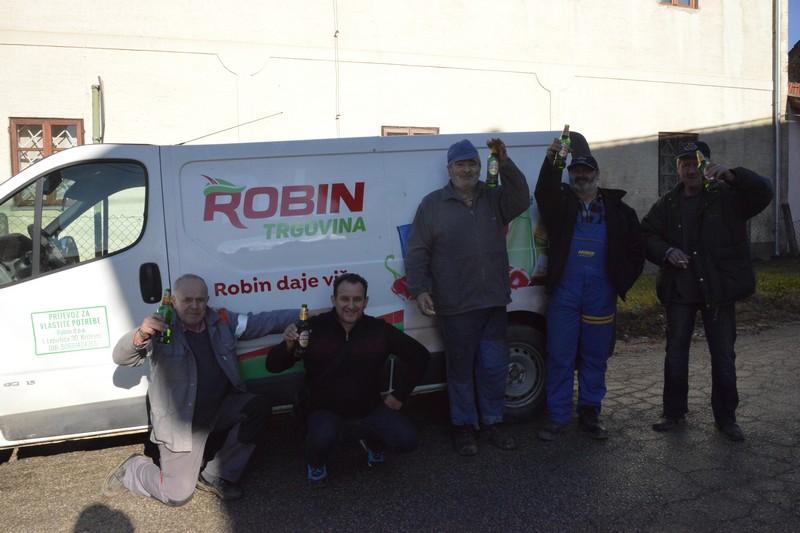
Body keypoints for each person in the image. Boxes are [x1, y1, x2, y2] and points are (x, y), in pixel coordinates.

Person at [102, 273, 298, 505]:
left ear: (207, 301)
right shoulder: (161, 327)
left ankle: (215, 475)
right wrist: (140, 335)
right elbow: (121, 357)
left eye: (200, 300)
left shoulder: (222, 320)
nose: (195, 306)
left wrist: (310, 316)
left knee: (258, 406)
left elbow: (266, 321)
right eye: (187, 300)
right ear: (174, 301)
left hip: (220, 409)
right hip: (181, 424)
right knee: (176, 495)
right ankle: (134, 468)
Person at [641, 140, 773, 441]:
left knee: (723, 355)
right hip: (680, 292)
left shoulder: (728, 196)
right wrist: (666, 251)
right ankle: (673, 412)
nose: (691, 170)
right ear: (677, 170)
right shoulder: (667, 203)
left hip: (718, 290)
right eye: (685, 164)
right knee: (675, 354)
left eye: (697, 164)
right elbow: (646, 234)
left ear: (708, 166)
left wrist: (733, 176)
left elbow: (763, 192)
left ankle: (726, 419)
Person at [404, 138, 529, 456]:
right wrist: (420, 290)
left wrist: (505, 162)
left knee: (494, 368)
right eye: (460, 164)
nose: (466, 169)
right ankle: (463, 427)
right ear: (449, 169)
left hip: (493, 302)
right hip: (455, 306)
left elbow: (520, 198)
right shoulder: (433, 204)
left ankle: (493, 422)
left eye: (472, 163)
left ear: (480, 167)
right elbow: (417, 251)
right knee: (459, 372)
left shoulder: (493, 197)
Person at [265, 273, 430, 487]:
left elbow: (420, 356)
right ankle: (317, 462)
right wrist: (288, 345)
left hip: (368, 410)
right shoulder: (313, 328)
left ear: (366, 302)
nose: (351, 306)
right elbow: (273, 365)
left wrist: (399, 395)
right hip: (325, 411)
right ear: (333, 300)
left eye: (357, 299)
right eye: (344, 299)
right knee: (322, 436)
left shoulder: (379, 330)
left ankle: (373, 442)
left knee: (407, 440)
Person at [534, 143, 645, 442]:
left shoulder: (620, 211)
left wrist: (620, 281)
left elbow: (637, 251)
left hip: (600, 295)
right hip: (564, 296)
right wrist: (552, 162)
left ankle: (590, 414)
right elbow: (544, 192)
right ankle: (558, 416)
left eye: (586, 171)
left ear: (597, 174)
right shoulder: (561, 206)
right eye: (575, 171)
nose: (580, 176)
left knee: (595, 357)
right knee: (559, 356)